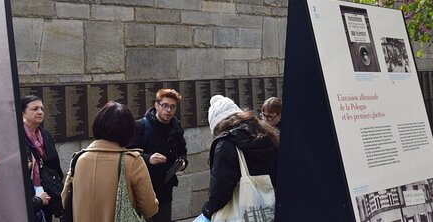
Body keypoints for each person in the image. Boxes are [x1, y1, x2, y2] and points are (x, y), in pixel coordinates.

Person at [62, 101, 158, 221]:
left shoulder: (78, 159)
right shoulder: (132, 161)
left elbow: (65, 199)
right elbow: (150, 209)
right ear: (128, 130)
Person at [199, 95, 279, 220]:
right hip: (273, 209)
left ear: (217, 125)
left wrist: (207, 210)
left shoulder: (225, 144)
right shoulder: (266, 133)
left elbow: (220, 191)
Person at [128, 89, 188, 222]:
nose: (168, 110)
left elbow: (182, 151)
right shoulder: (140, 126)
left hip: (166, 187)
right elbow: (130, 154)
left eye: (172, 107)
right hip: (145, 185)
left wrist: (183, 163)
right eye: (165, 105)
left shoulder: (176, 127)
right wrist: (149, 159)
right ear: (156, 105)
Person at [22, 95, 64, 222]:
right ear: (22, 112)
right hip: (28, 197)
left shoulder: (45, 135)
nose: (40, 112)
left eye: (42, 108)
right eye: (35, 109)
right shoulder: (17, 138)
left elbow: (55, 165)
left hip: (47, 194)